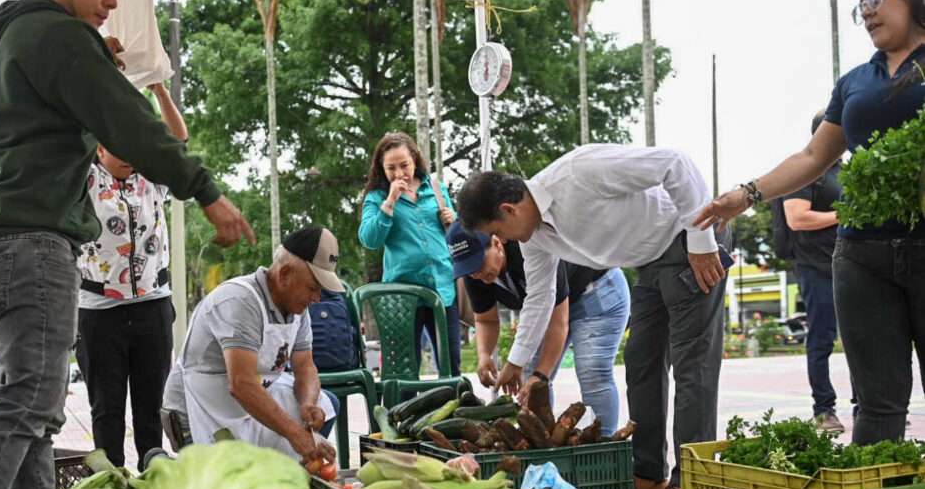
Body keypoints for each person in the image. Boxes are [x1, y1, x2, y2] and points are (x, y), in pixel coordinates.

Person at [0, 0, 255, 489]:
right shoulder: (56, 33)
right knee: (28, 404)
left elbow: (72, 115)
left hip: (4, 249)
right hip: (32, 244)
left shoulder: (23, 36)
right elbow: (129, 123)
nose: (111, 0)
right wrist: (206, 190)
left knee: (37, 411)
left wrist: (95, 60)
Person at [696, 0, 925, 448]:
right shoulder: (855, 82)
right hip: (861, 258)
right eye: (859, 6)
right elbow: (813, 156)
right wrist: (747, 194)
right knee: (878, 405)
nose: (866, 12)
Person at [456, 145, 731, 489]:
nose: (501, 239)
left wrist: (701, 243)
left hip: (689, 240)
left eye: (496, 232)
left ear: (508, 210)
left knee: (692, 367)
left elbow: (675, 164)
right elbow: (540, 296)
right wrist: (516, 362)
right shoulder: (535, 237)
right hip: (649, 262)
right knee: (641, 362)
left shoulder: (578, 173)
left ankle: (692, 486)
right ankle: (649, 473)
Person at [161, 226, 342, 463]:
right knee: (234, 482)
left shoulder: (299, 310)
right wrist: (295, 434)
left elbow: (305, 366)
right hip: (200, 411)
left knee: (327, 403)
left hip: (248, 403)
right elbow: (241, 383)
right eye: (312, 288)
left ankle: (294, 473)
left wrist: (308, 403)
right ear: (284, 273)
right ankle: (165, 460)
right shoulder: (240, 301)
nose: (317, 298)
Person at [75, 81, 185, 468]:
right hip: (99, 310)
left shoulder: (151, 179)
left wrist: (160, 91)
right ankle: (112, 480)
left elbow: (177, 140)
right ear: (99, 148)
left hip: (152, 306)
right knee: (106, 408)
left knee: (150, 405)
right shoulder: (84, 180)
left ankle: (153, 473)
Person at [444, 220, 630, 432]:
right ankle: (543, 440)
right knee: (530, 378)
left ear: (496, 243)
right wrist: (484, 354)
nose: (475, 273)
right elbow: (486, 320)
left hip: (596, 294)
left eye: (478, 263)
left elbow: (558, 322)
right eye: (467, 268)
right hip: (551, 309)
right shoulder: (475, 276)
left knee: (592, 373)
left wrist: (542, 375)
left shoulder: (528, 246)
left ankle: (604, 445)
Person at [359, 132, 461, 376]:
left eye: (404, 165)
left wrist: (454, 220)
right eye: (391, 168)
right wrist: (390, 201)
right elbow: (369, 239)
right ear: (381, 169)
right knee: (404, 369)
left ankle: (453, 402)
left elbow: (456, 236)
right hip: (402, 297)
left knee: (451, 365)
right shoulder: (376, 197)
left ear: (414, 160)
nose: (399, 173)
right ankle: (405, 404)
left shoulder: (436, 189)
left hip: (443, 290)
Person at [780, 111, 848, 433]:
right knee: (822, 340)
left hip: (851, 265)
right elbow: (796, 218)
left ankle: (866, 406)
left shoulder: (846, 172)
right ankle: (824, 410)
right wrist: (842, 214)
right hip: (816, 268)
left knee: (864, 340)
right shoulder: (805, 173)